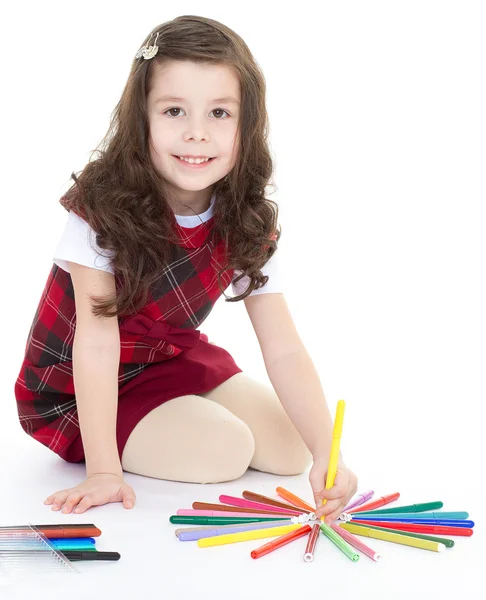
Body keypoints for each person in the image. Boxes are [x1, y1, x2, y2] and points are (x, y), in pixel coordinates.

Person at [14, 15, 357, 521]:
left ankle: (186, 418)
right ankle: (140, 436)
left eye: (219, 113)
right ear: (142, 120)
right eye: (174, 110)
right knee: (225, 449)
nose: (197, 134)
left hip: (163, 357)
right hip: (78, 378)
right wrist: (105, 470)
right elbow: (96, 340)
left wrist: (331, 455)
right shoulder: (101, 206)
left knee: (291, 446)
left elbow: (282, 346)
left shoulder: (245, 217)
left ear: (247, 125)